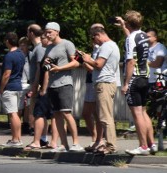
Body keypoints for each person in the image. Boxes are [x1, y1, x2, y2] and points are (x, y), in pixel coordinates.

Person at [117, 11, 155, 155]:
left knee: (137, 114)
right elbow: (133, 40)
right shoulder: (144, 35)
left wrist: (126, 83)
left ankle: (143, 146)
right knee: (143, 112)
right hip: (145, 77)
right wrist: (123, 26)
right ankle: (151, 144)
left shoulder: (130, 39)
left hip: (134, 78)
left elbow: (130, 61)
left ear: (128, 23)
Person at [42, 22, 83, 152]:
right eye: (46, 32)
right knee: (57, 115)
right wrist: (47, 63)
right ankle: (64, 144)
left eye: (50, 32)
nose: (47, 34)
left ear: (57, 32)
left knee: (66, 113)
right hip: (52, 84)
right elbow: (47, 66)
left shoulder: (67, 44)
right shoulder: (48, 48)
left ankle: (76, 143)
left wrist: (60, 68)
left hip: (65, 83)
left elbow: (77, 62)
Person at [80, 25, 121, 154]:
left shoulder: (106, 46)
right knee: (102, 114)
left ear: (98, 35)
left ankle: (111, 145)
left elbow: (98, 64)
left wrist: (87, 59)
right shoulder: (112, 45)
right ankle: (107, 143)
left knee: (105, 116)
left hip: (104, 83)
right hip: (106, 82)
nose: (94, 42)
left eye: (94, 38)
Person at [0, 32, 27, 146]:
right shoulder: (21, 54)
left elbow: (6, 74)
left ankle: (15, 140)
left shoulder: (9, 56)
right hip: (19, 86)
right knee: (17, 113)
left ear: (7, 41)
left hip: (10, 87)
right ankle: (17, 138)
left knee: (12, 114)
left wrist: (1, 88)